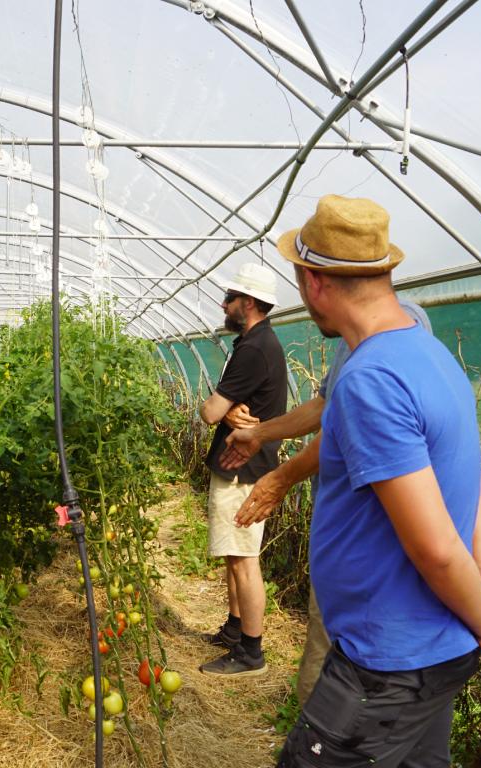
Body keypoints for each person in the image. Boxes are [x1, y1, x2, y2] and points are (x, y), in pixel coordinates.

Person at [270, 194, 481, 766]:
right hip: (437, 652)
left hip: (385, 667)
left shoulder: (369, 378)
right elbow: (476, 487)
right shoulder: (433, 356)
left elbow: (432, 547)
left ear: (313, 281)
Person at [219, 298, 431, 706]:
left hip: (370, 530)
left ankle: (324, 738)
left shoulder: (394, 333)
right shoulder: (350, 340)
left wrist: (281, 477)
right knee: (326, 634)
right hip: (341, 526)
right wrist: (262, 433)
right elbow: (324, 406)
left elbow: (351, 422)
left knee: (350, 653)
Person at [197, 262, 288, 677]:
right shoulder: (258, 343)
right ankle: (235, 631)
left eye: (230, 299)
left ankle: (251, 651)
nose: (224, 304)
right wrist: (232, 409)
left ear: (247, 303)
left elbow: (209, 412)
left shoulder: (253, 348)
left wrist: (223, 408)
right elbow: (228, 410)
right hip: (244, 465)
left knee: (244, 558)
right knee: (235, 556)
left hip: (243, 469)